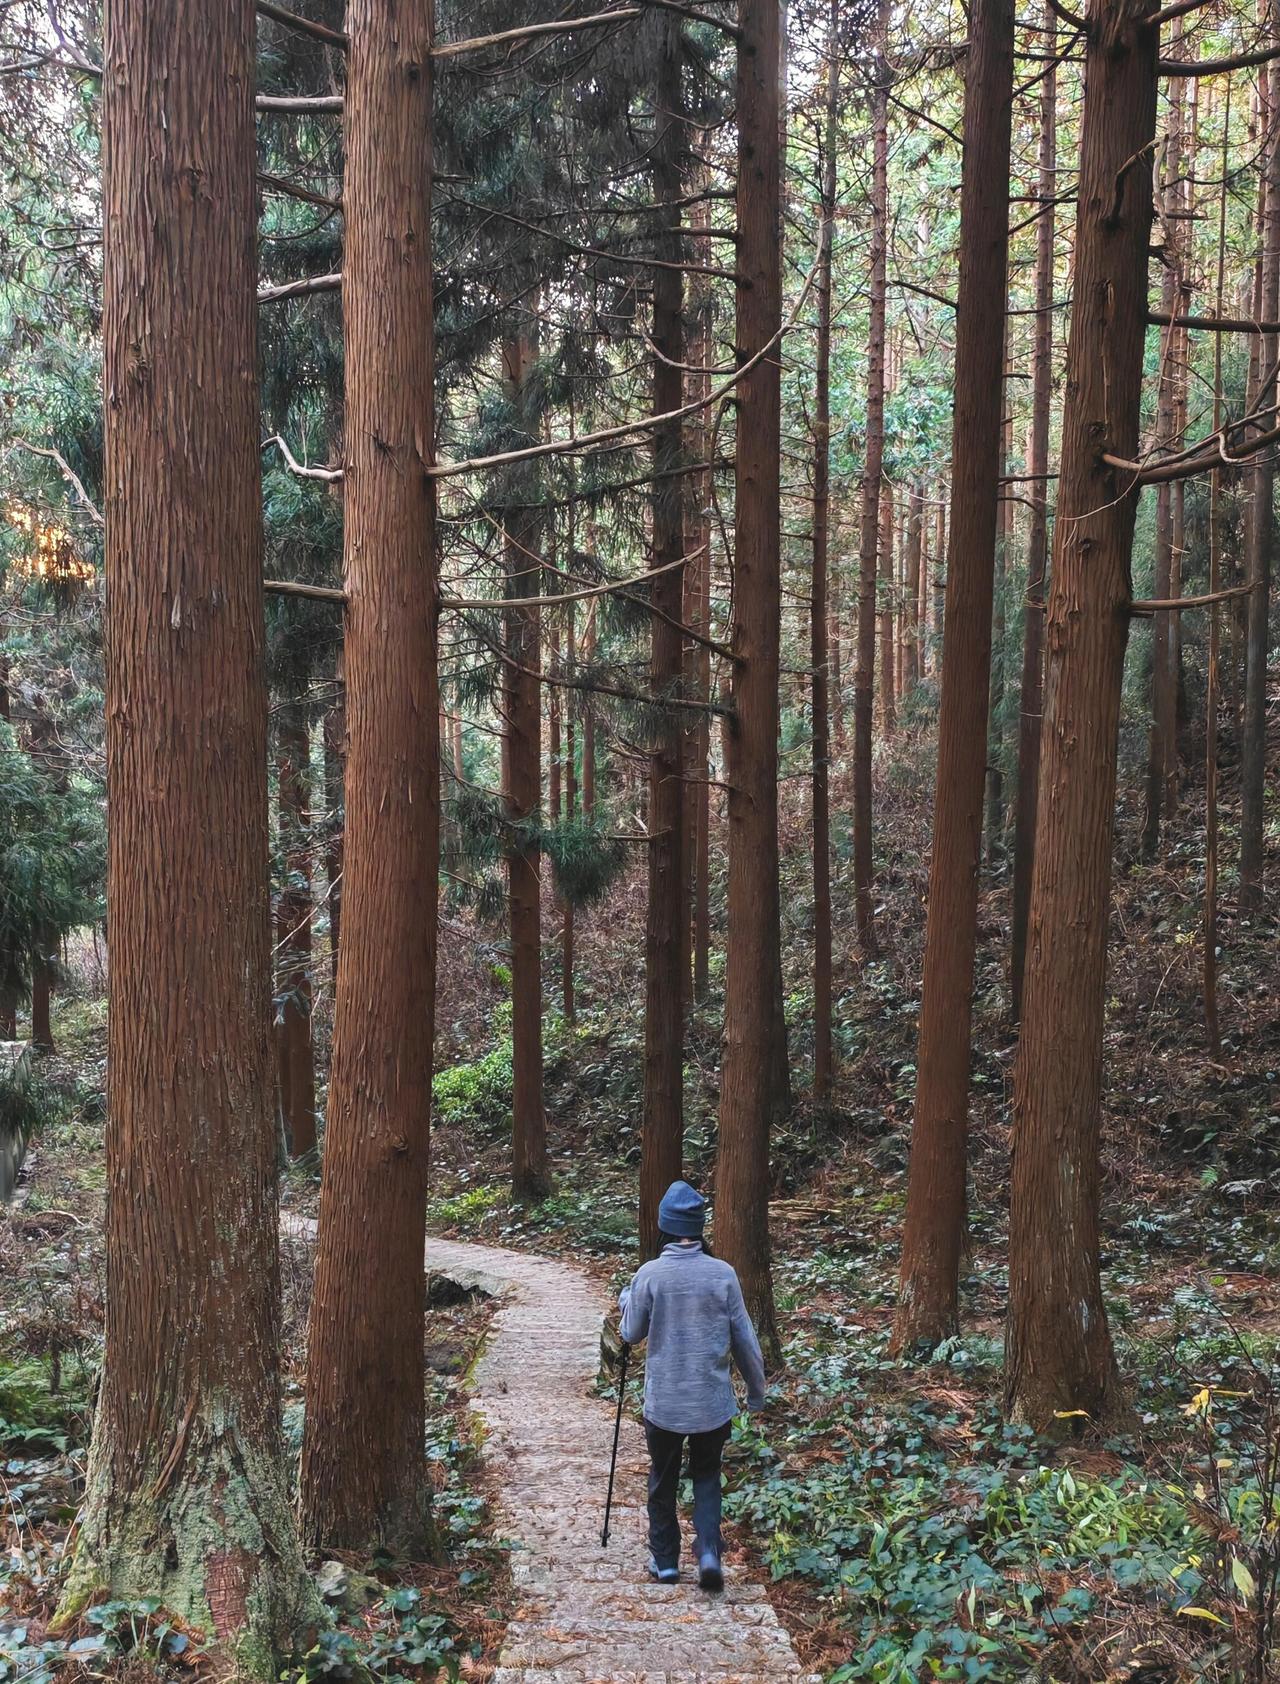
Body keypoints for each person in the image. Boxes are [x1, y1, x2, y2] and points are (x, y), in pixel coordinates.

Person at [618, 1179, 767, 1591]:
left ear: (664, 1226)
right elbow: (745, 1339)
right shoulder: (723, 1275)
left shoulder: (650, 1275)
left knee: (662, 1479)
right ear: (699, 1228)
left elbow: (630, 1333)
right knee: (706, 1477)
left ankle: (666, 1562)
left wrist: (627, 1300)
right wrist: (756, 1392)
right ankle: (708, 1553)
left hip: (664, 1405)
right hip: (711, 1404)